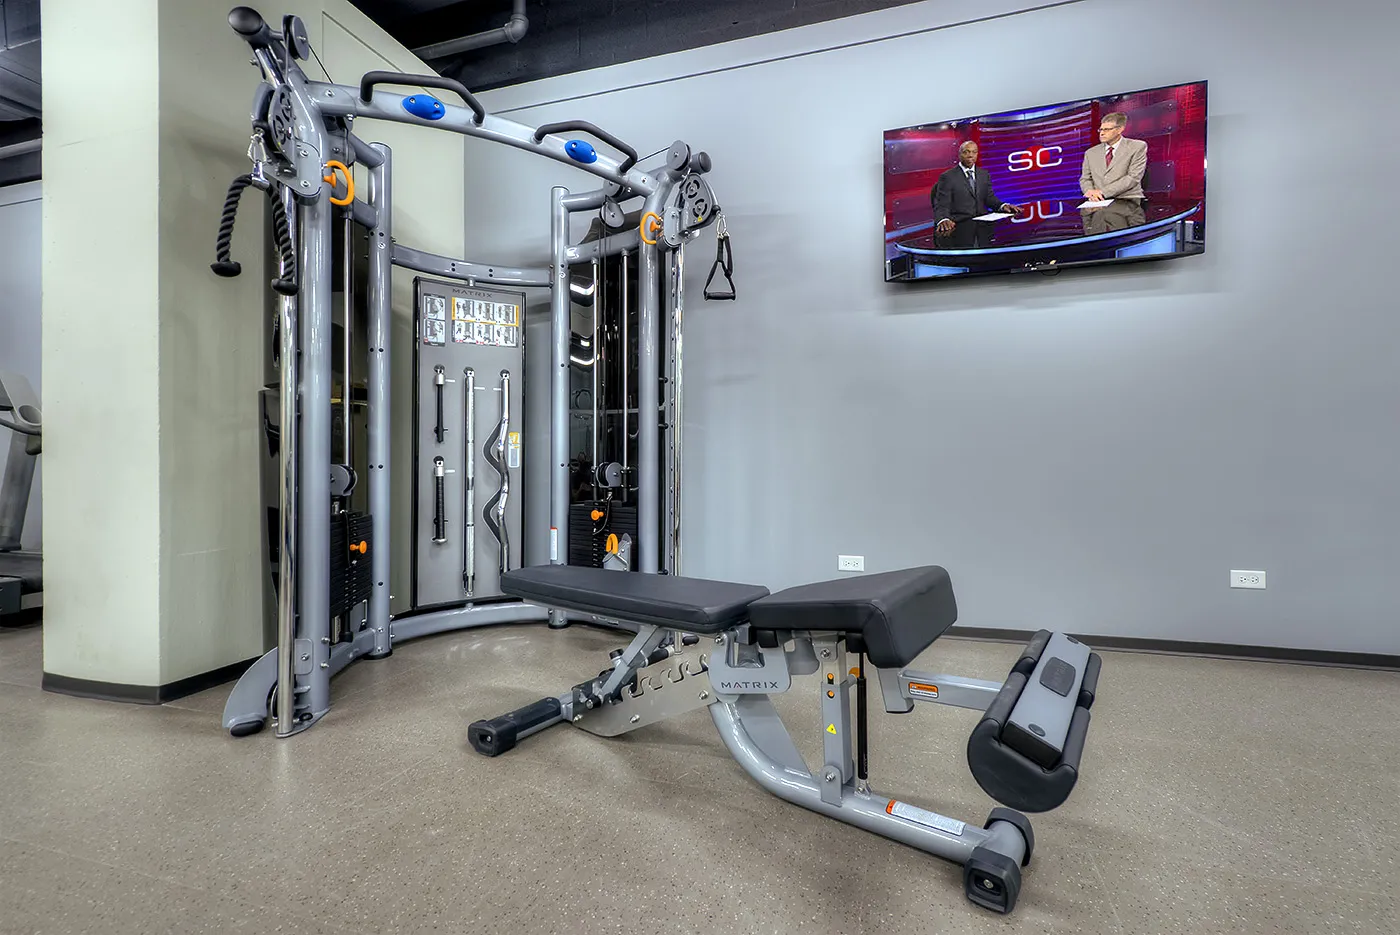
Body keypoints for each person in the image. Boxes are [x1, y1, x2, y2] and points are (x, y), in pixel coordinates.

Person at [930, 141, 1019, 248]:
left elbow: (989, 198)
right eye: (966, 152)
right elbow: (941, 204)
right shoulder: (948, 177)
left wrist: (1003, 205)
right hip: (960, 226)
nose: (970, 155)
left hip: (983, 225)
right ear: (959, 154)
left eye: (974, 152)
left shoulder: (984, 174)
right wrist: (943, 219)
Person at [1080, 112, 1148, 204]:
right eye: (1101, 130)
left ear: (1120, 129)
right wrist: (1090, 192)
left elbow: (1133, 177)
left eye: (1107, 129)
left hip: (1128, 200)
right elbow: (1085, 178)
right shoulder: (1090, 153)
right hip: (1098, 201)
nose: (1102, 133)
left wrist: (1103, 192)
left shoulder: (1137, 147)